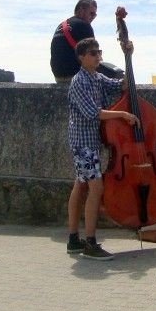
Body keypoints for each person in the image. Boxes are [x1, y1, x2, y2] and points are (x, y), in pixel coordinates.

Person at [65, 37, 139, 261]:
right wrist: (123, 115)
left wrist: (129, 56)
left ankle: (73, 239)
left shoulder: (97, 77)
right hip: (83, 143)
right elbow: (93, 112)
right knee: (96, 189)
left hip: (91, 142)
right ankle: (90, 243)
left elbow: (123, 86)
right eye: (93, 53)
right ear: (81, 57)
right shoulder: (79, 81)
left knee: (80, 186)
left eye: (99, 53)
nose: (98, 57)